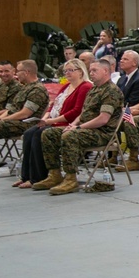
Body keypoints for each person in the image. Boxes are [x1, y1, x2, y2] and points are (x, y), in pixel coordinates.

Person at [36, 60, 124, 195]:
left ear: (105, 71)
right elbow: (84, 113)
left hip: (102, 133)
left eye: (95, 70)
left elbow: (102, 119)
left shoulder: (111, 91)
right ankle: (54, 174)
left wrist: (78, 128)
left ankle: (71, 179)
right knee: (49, 133)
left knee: (69, 135)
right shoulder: (95, 89)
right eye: (91, 70)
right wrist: (73, 125)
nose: (91, 73)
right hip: (85, 128)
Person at [17, 59, 91, 188]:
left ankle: (38, 176)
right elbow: (53, 105)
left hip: (67, 123)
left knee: (39, 135)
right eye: (65, 71)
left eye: (70, 70)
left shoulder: (85, 87)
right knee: (29, 133)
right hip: (52, 121)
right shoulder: (66, 86)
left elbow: (77, 111)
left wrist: (52, 121)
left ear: (80, 71)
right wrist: (45, 117)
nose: (67, 73)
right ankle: (26, 176)